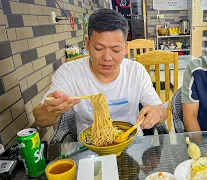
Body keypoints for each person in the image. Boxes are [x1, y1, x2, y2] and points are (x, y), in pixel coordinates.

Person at [33, 9, 167, 136]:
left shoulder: (136, 72)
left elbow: (162, 112)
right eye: (99, 48)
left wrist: (157, 112)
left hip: (131, 141)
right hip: (90, 147)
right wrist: (52, 109)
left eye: (115, 50)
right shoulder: (69, 73)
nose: (107, 57)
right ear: (87, 44)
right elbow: (42, 121)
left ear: (126, 48)